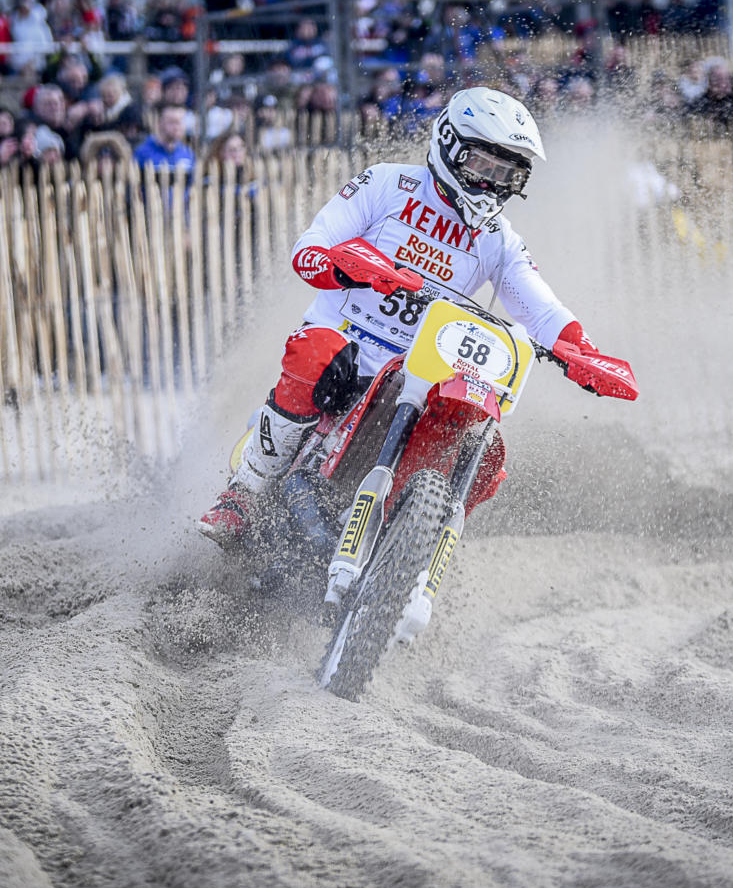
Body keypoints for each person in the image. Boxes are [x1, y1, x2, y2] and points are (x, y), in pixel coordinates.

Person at [198, 87, 604, 548]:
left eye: (507, 174)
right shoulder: (386, 184)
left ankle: (414, 543)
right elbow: (309, 248)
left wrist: (583, 351)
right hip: (346, 345)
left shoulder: (499, 239)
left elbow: (541, 306)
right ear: (450, 146)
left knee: (484, 446)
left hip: (420, 370)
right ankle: (242, 495)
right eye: (484, 167)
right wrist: (348, 268)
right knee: (317, 355)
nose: (492, 184)